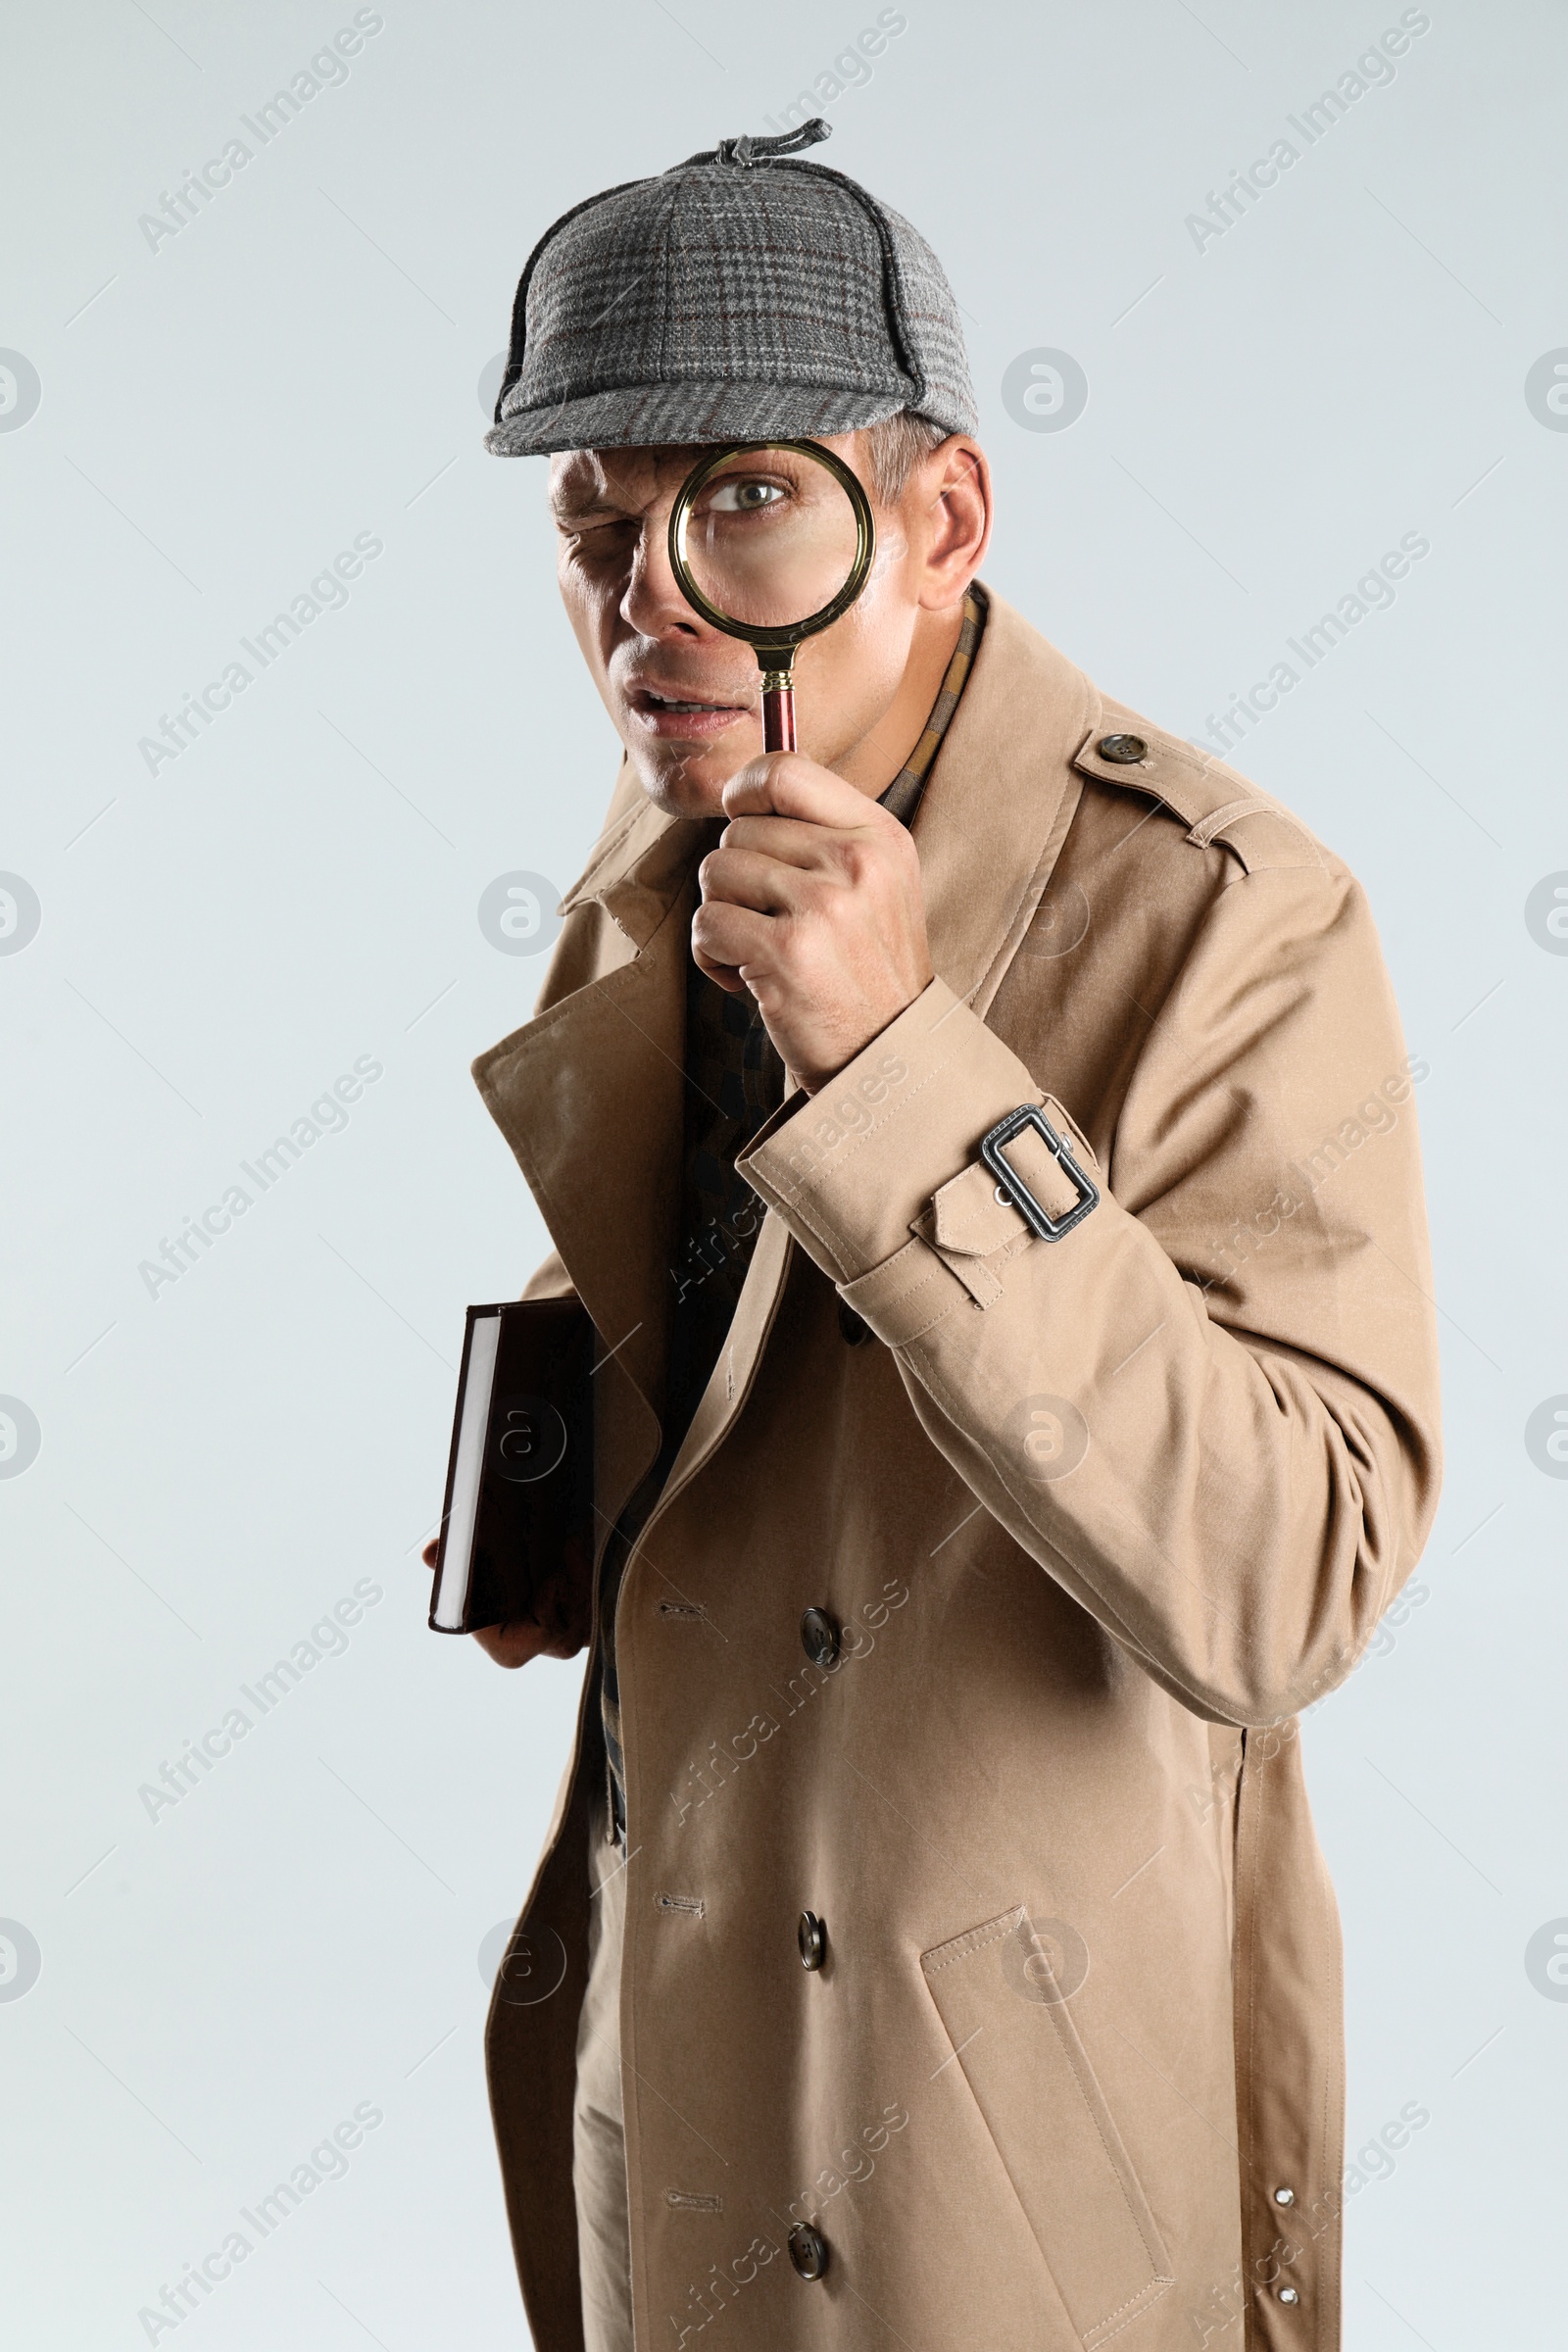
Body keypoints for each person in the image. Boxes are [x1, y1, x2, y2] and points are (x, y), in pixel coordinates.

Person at [430, 117, 1442, 2352]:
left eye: (740, 503)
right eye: (593, 529)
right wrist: (550, 1489)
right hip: (673, 2110)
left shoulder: (1220, 914)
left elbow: (1293, 1575)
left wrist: (903, 1068)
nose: (647, 606)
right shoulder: (660, 852)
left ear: (942, 516)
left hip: (1024, 2171)